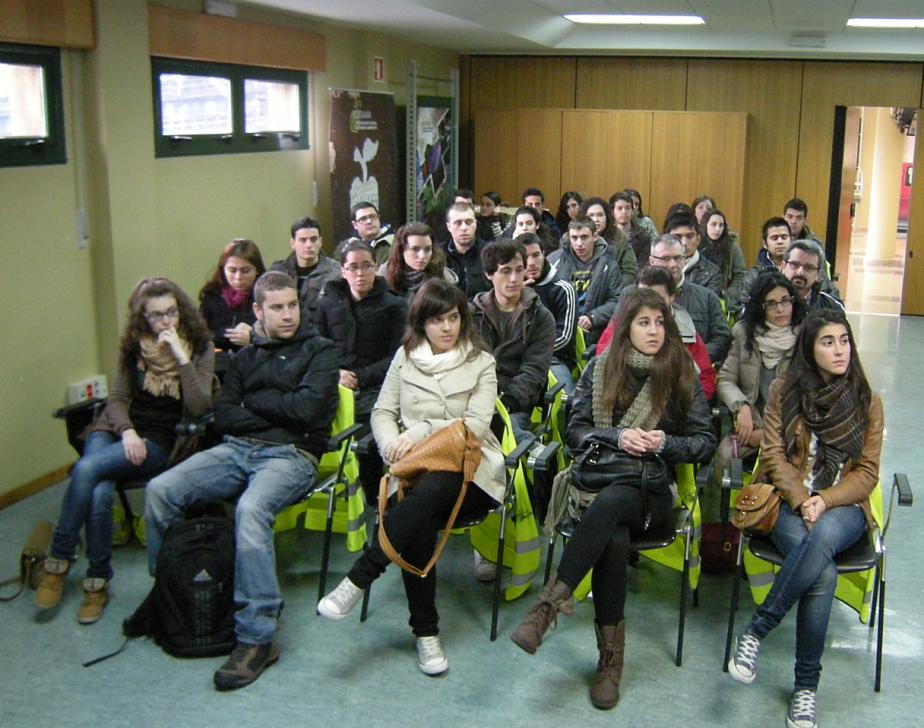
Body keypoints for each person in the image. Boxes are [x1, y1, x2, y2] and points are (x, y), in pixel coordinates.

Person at [510, 288, 715, 710]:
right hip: (600, 490)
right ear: (625, 328)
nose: (654, 331)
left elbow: (704, 441)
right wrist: (617, 437)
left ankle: (548, 606)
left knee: (614, 507)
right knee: (613, 536)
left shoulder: (680, 372)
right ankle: (610, 662)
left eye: (660, 323)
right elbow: (575, 433)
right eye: (644, 323)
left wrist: (663, 443)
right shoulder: (601, 368)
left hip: (652, 495)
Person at [145, 271, 339, 691]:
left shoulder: (321, 351)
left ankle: (257, 637)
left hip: (292, 455)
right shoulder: (245, 358)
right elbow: (224, 414)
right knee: (160, 491)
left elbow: (306, 412)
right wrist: (274, 410)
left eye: (292, 305)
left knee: (251, 510)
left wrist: (255, 404)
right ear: (257, 311)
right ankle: (171, 597)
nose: (288, 315)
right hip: (236, 450)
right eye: (277, 307)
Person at [317, 278, 506, 677]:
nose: (447, 327)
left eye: (453, 317)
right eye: (437, 320)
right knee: (418, 511)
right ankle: (426, 634)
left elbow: (474, 426)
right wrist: (390, 446)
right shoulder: (406, 358)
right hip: (416, 469)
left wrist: (419, 432)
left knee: (428, 493)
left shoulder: (481, 362)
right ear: (421, 323)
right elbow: (382, 412)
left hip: (472, 471)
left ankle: (362, 576)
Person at [728, 309, 883, 728]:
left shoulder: (867, 401)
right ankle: (806, 689)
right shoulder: (784, 391)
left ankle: (756, 631)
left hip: (843, 507)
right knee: (823, 573)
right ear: (810, 350)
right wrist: (802, 499)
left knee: (825, 536)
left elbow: (867, 473)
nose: (840, 350)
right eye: (828, 342)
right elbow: (773, 455)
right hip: (786, 502)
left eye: (844, 341)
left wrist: (824, 500)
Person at [36, 278, 214, 623]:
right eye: (156, 315)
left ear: (181, 310)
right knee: (99, 490)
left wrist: (181, 357)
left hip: (160, 439)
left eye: (171, 312)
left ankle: (58, 562)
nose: (165, 321)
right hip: (116, 429)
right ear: (143, 317)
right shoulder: (133, 346)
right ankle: (96, 582)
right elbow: (116, 400)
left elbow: (199, 405)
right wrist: (127, 431)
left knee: (87, 470)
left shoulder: (199, 347)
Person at [715, 271, 805, 479]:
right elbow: (726, 379)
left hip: (794, 431)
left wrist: (767, 436)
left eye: (785, 301)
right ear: (760, 307)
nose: (780, 309)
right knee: (723, 457)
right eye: (771, 304)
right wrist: (742, 407)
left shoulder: (807, 336)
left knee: (779, 472)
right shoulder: (744, 333)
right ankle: (724, 504)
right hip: (753, 425)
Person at [471, 239, 555, 440]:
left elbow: (534, 371)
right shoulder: (471, 315)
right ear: (489, 274)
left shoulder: (541, 317)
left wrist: (506, 402)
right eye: (506, 271)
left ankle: (531, 451)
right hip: (472, 399)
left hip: (514, 404)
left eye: (519, 270)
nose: (514, 278)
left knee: (504, 433)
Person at [316, 241, 407, 420]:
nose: (360, 273)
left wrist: (359, 377)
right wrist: (337, 373)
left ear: (375, 268)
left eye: (366, 266)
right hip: (334, 381)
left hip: (377, 385)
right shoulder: (328, 303)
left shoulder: (394, 305)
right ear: (343, 271)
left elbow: (398, 357)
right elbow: (317, 349)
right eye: (353, 267)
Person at [597, 266, 717, 402]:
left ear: (671, 297)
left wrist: (688, 404)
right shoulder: (619, 325)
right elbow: (603, 366)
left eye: (656, 297)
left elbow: (705, 377)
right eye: (643, 295)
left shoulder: (687, 331)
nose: (648, 302)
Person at [649, 234, 732, 364]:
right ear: (652, 261)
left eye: (677, 258)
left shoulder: (707, 297)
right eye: (665, 258)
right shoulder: (632, 294)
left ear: (684, 260)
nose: (673, 264)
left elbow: (722, 337)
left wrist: (695, 360)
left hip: (695, 369)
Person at [549, 215, 622, 347]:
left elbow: (617, 300)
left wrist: (592, 318)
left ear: (595, 236)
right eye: (574, 238)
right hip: (560, 330)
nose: (579, 243)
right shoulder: (554, 260)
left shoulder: (609, 265)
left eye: (584, 237)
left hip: (594, 333)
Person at [520, 231, 578, 393]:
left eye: (536, 255)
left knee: (563, 398)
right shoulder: (511, 292)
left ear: (544, 254)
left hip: (554, 359)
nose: (531, 263)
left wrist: (533, 352)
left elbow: (565, 337)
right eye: (525, 257)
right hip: (516, 359)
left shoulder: (563, 289)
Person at [198, 239, 266, 355]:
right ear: (223, 270)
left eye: (245, 271)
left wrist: (254, 338)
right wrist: (224, 334)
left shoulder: (267, 296)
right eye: (232, 270)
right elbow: (199, 335)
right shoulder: (212, 295)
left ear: (257, 270)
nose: (238, 277)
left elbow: (279, 336)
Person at [270, 216, 341, 320]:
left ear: (320, 242)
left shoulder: (336, 273)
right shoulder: (278, 272)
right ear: (292, 243)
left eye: (313, 239)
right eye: (303, 240)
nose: (309, 245)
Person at [381, 222, 458, 304]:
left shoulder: (444, 277)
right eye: (415, 249)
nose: (422, 256)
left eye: (427, 249)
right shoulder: (384, 274)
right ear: (401, 250)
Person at [578, 196, 637, 285]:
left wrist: (615, 288)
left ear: (607, 217)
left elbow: (629, 271)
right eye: (591, 215)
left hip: (613, 287)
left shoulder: (618, 237)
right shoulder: (573, 237)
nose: (596, 219)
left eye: (600, 215)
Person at [664, 211, 723, 297]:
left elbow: (709, 303)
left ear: (698, 239)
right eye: (677, 237)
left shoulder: (712, 272)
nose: (684, 243)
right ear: (666, 239)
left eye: (689, 236)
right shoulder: (657, 266)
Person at [444, 201, 491, 299]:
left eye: (469, 222)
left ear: (476, 224)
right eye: (458, 223)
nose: (464, 228)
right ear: (449, 226)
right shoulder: (439, 254)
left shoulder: (491, 252)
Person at [699, 209, 747, 305]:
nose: (717, 229)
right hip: (699, 297)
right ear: (705, 225)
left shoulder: (731, 246)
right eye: (713, 224)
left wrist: (728, 295)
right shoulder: (697, 245)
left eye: (721, 225)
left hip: (723, 298)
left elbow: (740, 274)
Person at [784, 240, 844, 312]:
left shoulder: (832, 307)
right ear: (783, 266)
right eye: (795, 264)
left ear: (818, 274)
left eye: (809, 268)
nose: (800, 272)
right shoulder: (771, 300)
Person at [335, 201, 395, 265]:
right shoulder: (345, 247)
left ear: (378, 218)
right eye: (363, 219)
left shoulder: (395, 243)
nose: (369, 221)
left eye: (372, 216)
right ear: (354, 225)